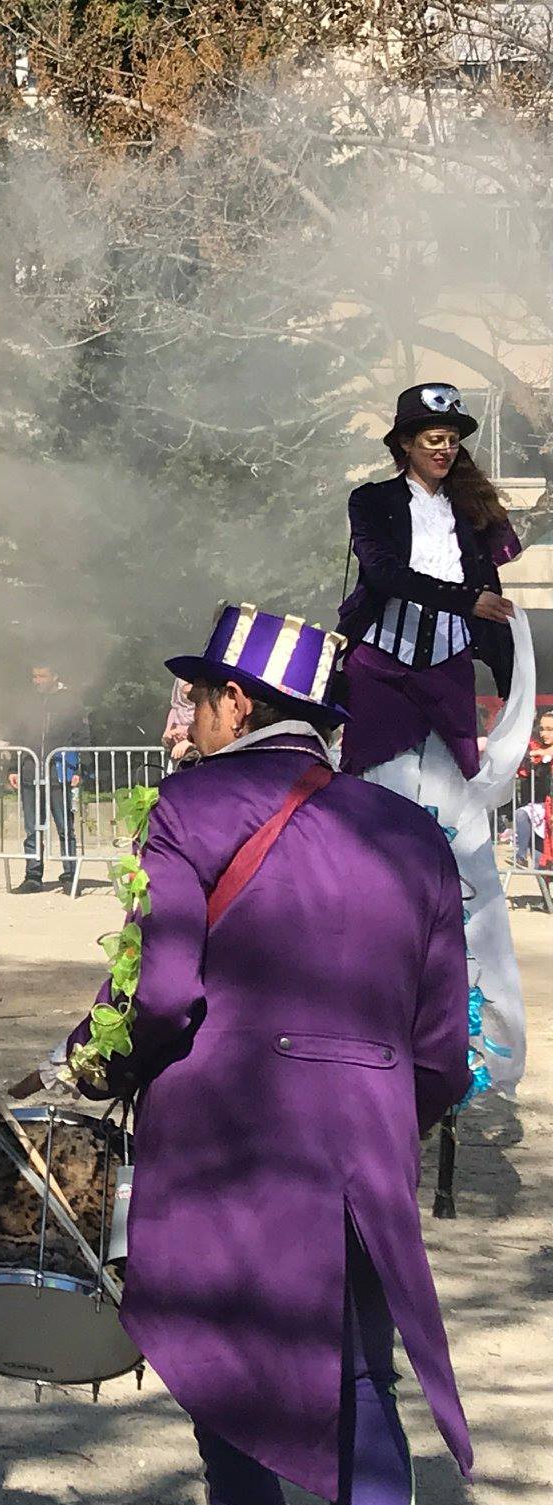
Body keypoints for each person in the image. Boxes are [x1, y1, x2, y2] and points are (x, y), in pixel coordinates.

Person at [32, 604, 471, 1505]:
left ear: (236, 703)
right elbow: (441, 1051)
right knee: (360, 1379)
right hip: (365, 1149)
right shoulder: (411, 829)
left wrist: (95, 1064)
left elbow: (158, 995)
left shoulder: (187, 805)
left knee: (226, 1379)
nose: (182, 717)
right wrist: (377, 1119)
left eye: (191, 698)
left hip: (225, 1137)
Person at [336, 382, 529, 1098]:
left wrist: (514, 692)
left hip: (446, 675)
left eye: (452, 436)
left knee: (462, 838)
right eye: (430, 436)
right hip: (382, 672)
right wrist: (463, 600)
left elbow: (494, 605)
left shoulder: (473, 516)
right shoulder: (373, 502)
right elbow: (383, 575)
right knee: (363, 824)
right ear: (404, 444)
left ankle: (469, 1023)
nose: (444, 446)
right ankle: (350, 981)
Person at [6, 663, 88, 893]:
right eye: (34, 676)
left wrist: (80, 770)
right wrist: (14, 767)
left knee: (65, 828)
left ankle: (70, 876)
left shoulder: (71, 702)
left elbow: (82, 737)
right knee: (32, 828)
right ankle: (33, 876)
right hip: (31, 771)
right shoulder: (27, 703)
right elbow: (18, 736)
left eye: (42, 676)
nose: (37, 680)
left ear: (55, 676)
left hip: (60, 773)